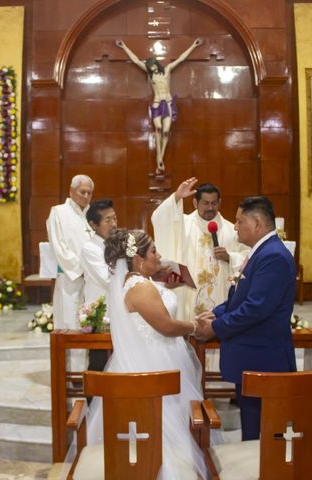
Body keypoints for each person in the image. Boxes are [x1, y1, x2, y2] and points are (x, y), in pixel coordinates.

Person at [80, 229, 210, 479]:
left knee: (166, 426)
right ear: (138, 260)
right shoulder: (139, 287)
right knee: (158, 426)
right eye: (153, 251)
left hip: (161, 356)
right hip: (153, 362)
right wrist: (195, 326)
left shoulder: (140, 282)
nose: (158, 256)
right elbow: (165, 326)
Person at [194, 196, 296, 440]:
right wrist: (216, 312)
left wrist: (216, 327)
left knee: (264, 432)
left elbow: (256, 308)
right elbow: (240, 297)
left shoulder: (273, 256)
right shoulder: (261, 252)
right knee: (252, 427)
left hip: (263, 358)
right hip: (253, 357)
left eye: (240, 221)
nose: (235, 226)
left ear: (257, 223)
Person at [151, 177, 248, 322]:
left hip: (220, 299)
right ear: (195, 203)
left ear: (220, 203)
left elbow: (249, 256)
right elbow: (160, 218)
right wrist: (177, 196)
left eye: (214, 203)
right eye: (206, 203)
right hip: (188, 298)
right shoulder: (183, 225)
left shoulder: (232, 231)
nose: (210, 208)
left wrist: (229, 257)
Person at [115, 38, 203, 173]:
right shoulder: (150, 76)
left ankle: (160, 157)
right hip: (156, 103)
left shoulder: (167, 71)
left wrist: (193, 46)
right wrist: (124, 47)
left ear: (156, 64)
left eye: (152, 65)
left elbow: (180, 59)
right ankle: (158, 158)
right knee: (158, 128)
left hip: (167, 103)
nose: (151, 67)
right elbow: (136, 60)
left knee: (166, 132)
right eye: (149, 66)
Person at [46, 174, 94, 330]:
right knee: (70, 321)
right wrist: (82, 268)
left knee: (92, 319)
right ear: (71, 191)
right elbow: (58, 246)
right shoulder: (59, 212)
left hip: (92, 278)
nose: (86, 196)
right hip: (70, 277)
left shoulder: (93, 215)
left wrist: (93, 269)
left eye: (89, 193)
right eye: (82, 192)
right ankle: (73, 355)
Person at [80, 199, 117, 372]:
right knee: (99, 364)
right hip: (100, 315)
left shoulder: (116, 245)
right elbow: (107, 279)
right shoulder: (89, 249)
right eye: (108, 220)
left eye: (115, 218)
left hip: (118, 312)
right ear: (93, 225)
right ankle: (94, 399)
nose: (114, 224)